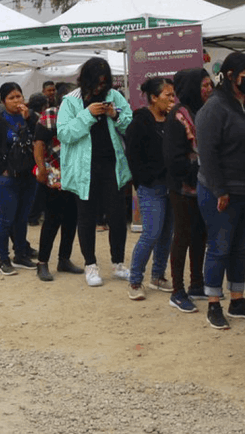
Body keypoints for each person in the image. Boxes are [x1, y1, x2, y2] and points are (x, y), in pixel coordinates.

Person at [196, 51, 245, 330]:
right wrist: (220, 190)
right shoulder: (214, 107)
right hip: (221, 191)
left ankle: (237, 300)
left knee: (241, 247)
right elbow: (208, 154)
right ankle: (213, 303)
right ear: (230, 76)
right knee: (219, 247)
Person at [58, 57, 134, 288]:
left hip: (112, 165)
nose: (102, 87)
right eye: (97, 83)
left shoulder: (115, 96)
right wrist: (88, 114)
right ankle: (90, 265)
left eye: (105, 82)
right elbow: (65, 134)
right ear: (86, 80)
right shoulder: (71, 102)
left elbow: (129, 123)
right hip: (84, 169)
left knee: (118, 217)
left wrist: (115, 115)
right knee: (87, 218)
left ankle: (118, 263)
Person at [125, 76, 177, 300]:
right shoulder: (140, 122)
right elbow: (133, 157)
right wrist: (144, 180)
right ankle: (135, 281)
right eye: (168, 95)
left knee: (167, 233)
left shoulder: (172, 119)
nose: (172, 99)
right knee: (151, 233)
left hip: (171, 186)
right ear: (154, 98)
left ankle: (158, 276)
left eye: (173, 95)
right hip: (150, 187)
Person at [164, 69, 212, 312]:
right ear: (192, 87)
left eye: (209, 84)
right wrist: (193, 173)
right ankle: (177, 290)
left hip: (201, 184)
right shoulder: (177, 116)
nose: (208, 89)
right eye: (203, 85)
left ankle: (196, 283)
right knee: (182, 236)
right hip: (182, 186)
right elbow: (174, 158)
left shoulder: (199, 112)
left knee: (199, 235)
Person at [0, 82, 38, 275]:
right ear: (3, 101)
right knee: (6, 219)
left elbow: (41, 138)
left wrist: (29, 119)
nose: (17, 101)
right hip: (7, 179)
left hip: (28, 176)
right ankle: (4, 259)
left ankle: (21, 254)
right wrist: (2, 169)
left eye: (19, 96)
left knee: (22, 218)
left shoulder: (31, 118)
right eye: (11, 98)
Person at [32, 92, 83, 281]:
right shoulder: (50, 115)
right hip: (54, 173)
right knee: (52, 219)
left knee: (71, 218)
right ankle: (42, 263)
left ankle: (64, 259)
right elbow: (38, 144)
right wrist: (42, 169)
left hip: (75, 174)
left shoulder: (83, 115)